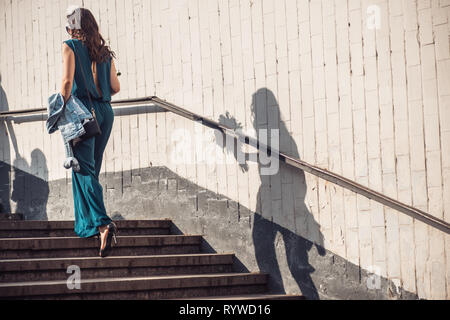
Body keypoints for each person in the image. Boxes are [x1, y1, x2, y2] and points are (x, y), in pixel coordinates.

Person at [61, 6, 120, 257]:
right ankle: (86, 226)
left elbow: (66, 83)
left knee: (83, 170)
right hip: (105, 113)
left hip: (83, 114)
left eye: (68, 25)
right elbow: (116, 87)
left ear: (74, 27)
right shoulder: (105, 53)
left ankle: (104, 224)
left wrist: (59, 108)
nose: (67, 30)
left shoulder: (70, 46)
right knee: (89, 168)